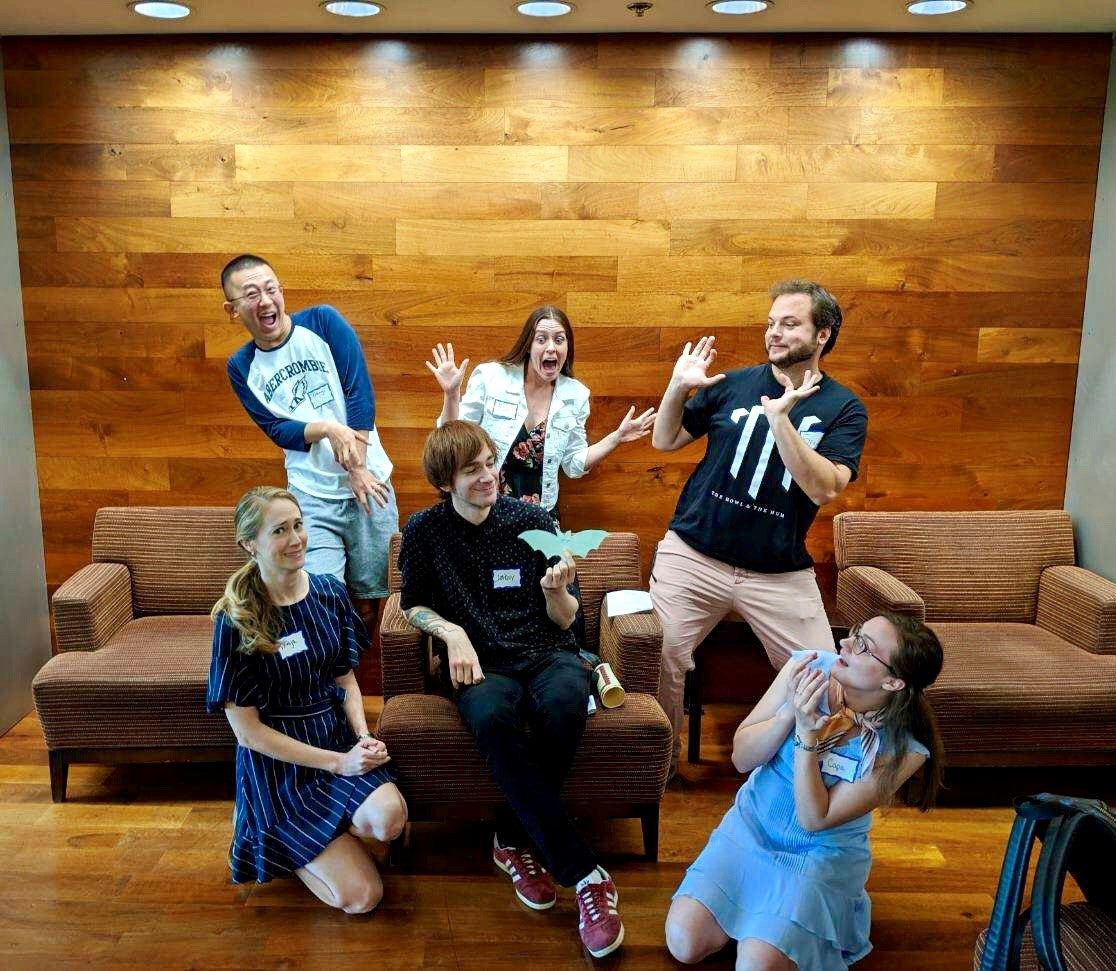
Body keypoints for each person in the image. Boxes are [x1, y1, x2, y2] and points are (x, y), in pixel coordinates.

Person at [396, 420, 625, 959]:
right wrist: (451, 631)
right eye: (471, 470)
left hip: (547, 650)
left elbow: (569, 620)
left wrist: (557, 592)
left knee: (568, 703)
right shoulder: (425, 531)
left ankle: (513, 839)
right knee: (492, 718)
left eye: (490, 463)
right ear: (445, 481)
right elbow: (412, 603)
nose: (487, 477)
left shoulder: (532, 518)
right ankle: (585, 875)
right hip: (482, 658)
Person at [650, 280, 869, 767]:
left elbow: (824, 487)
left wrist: (780, 421)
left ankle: (809, 774)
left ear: (823, 335)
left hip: (778, 572)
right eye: (771, 323)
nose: (774, 333)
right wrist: (677, 386)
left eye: (790, 324)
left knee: (825, 676)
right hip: (695, 556)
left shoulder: (844, 407)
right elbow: (664, 440)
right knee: (659, 656)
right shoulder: (732, 384)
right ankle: (655, 767)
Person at [665, 613, 945, 970]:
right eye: (855, 634)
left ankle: (787, 924)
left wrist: (807, 739)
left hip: (817, 853)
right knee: (683, 942)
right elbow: (740, 757)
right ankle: (762, 923)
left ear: (893, 682)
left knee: (756, 965)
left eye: (863, 647)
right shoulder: (807, 666)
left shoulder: (905, 749)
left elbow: (816, 818)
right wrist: (790, 716)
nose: (845, 643)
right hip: (752, 827)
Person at [207, 486, 408, 913]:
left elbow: (347, 680)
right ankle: (286, 844)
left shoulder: (329, 593)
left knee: (390, 819)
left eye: (298, 525)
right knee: (362, 900)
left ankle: (323, 835)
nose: (296, 539)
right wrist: (338, 764)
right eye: (280, 530)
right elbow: (248, 734)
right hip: (279, 765)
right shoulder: (235, 619)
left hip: (334, 737)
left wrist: (362, 736)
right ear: (250, 544)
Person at [221, 254, 398, 636]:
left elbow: (359, 393)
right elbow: (278, 429)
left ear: (281, 292)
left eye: (271, 289)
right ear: (232, 309)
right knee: (319, 595)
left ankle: (357, 685)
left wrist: (358, 466)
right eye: (251, 294)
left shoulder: (322, 321)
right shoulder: (241, 366)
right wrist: (327, 429)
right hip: (311, 497)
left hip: (371, 484)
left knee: (370, 599)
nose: (265, 301)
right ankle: (330, 684)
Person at [426, 305, 654, 520]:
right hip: (486, 510)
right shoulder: (491, 377)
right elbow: (451, 444)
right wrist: (451, 394)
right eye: (541, 339)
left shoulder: (576, 395)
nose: (551, 347)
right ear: (528, 345)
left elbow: (573, 464)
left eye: (559, 339)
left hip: (540, 515)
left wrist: (617, 437)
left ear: (567, 347)